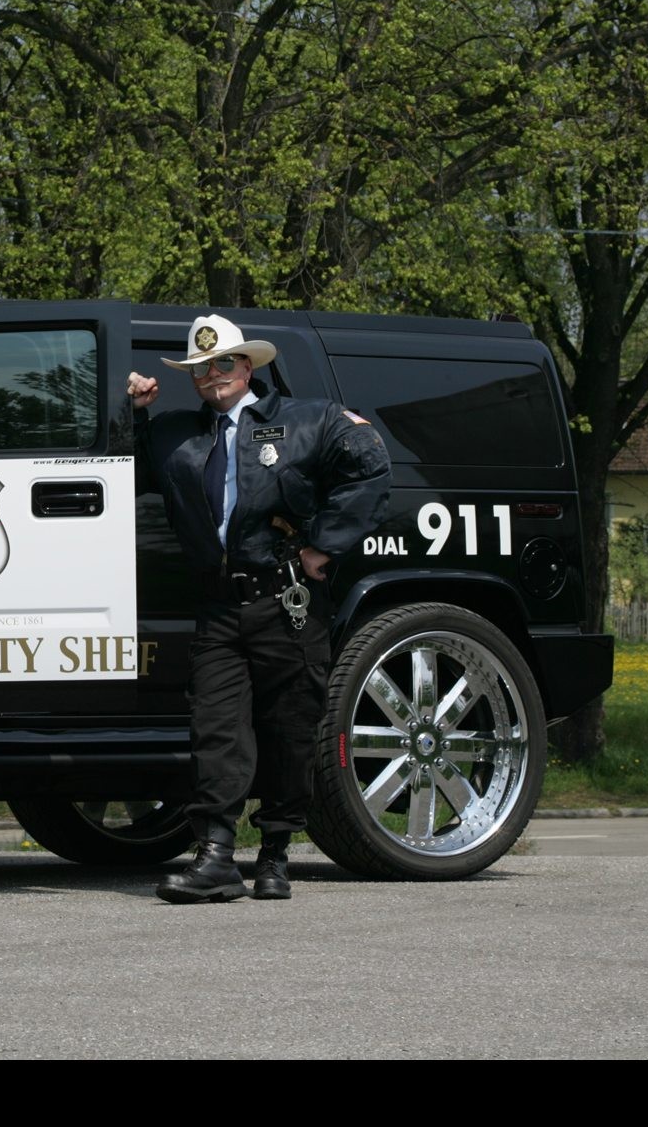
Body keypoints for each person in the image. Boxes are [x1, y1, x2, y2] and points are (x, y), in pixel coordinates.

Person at [129, 313, 390, 903]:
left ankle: (275, 852)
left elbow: (370, 466)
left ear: (248, 367)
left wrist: (325, 544)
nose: (211, 376)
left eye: (223, 363)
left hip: (287, 600)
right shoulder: (174, 434)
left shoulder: (307, 418)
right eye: (199, 368)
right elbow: (119, 470)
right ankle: (216, 856)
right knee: (216, 731)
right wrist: (135, 413)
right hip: (218, 607)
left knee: (290, 730)